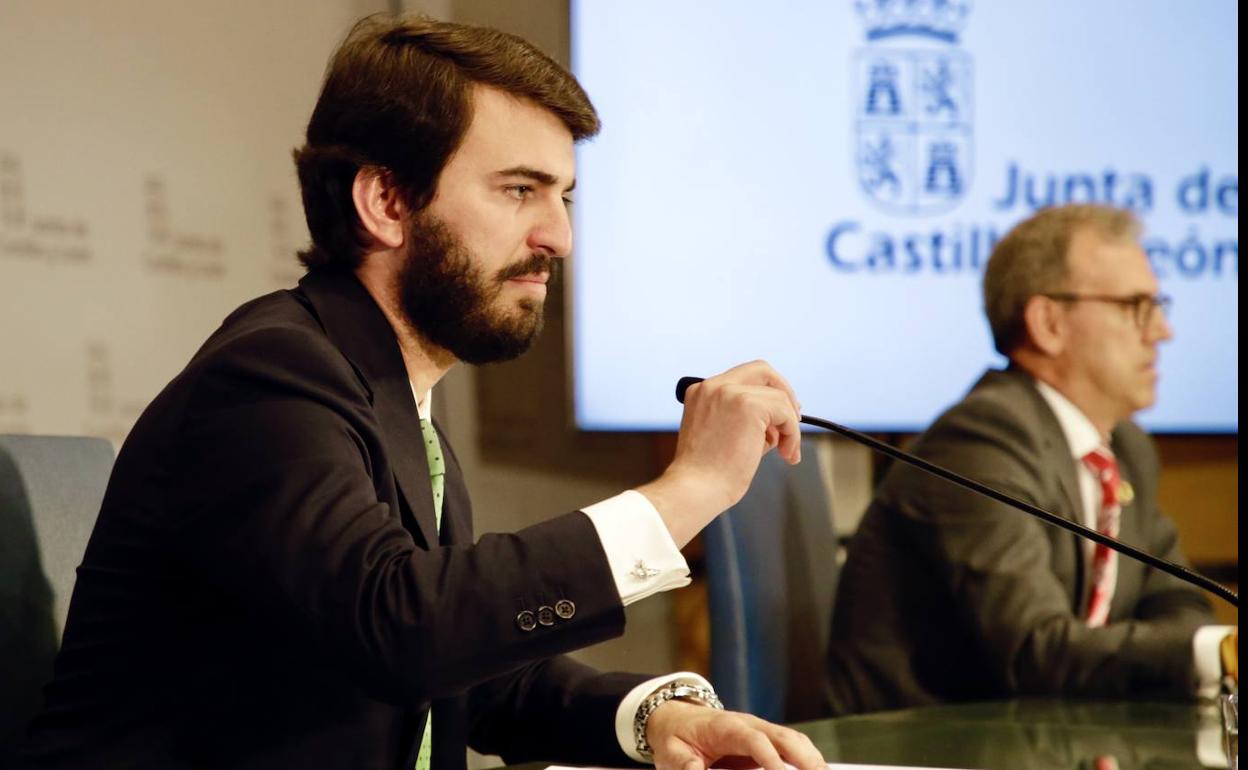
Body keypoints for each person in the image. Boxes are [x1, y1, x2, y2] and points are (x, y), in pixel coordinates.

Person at [22, 15, 826, 770]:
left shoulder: (390, 397)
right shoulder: (267, 380)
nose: (559, 237)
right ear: (386, 202)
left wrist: (656, 720)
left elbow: (461, 669)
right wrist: (687, 491)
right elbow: (402, 629)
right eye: (519, 190)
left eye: (564, 197)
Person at [826, 204, 1236, 714]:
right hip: (917, 751)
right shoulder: (981, 440)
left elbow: (1178, 603)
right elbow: (1033, 652)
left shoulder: (1126, 447)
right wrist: (1211, 652)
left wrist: (1199, 646)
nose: (1161, 332)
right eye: (1137, 306)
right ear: (1048, 323)